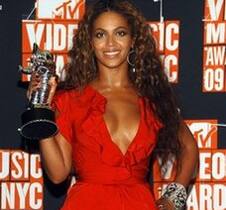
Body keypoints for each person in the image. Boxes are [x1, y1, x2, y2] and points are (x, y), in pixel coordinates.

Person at [28, 0, 199, 209]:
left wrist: (173, 199)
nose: (110, 43)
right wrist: (41, 108)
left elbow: (189, 147)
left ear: (133, 40)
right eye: (100, 34)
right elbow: (57, 174)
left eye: (120, 33)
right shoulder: (70, 99)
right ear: (90, 42)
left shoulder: (152, 99)